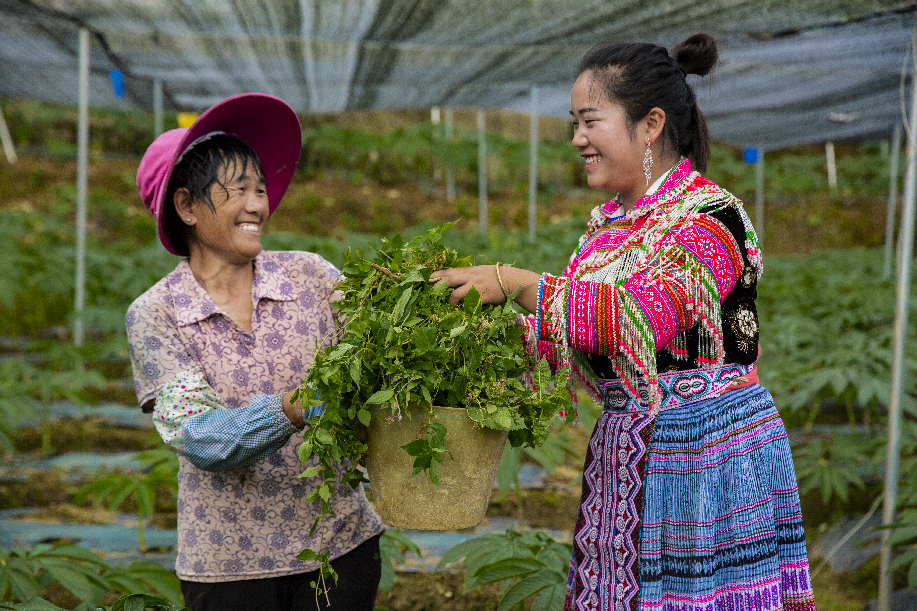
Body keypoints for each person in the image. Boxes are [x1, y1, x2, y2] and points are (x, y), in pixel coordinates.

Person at [432, 34, 817, 611]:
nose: (577, 138)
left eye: (590, 121)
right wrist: (478, 335)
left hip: (707, 459)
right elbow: (568, 334)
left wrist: (516, 282)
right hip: (627, 450)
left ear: (651, 124)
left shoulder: (710, 218)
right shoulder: (608, 227)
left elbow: (639, 317)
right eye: (574, 123)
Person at [126, 93, 384, 611]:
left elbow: (377, 354)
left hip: (340, 550)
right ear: (186, 206)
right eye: (238, 190)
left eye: (260, 189)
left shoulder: (311, 275)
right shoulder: (156, 313)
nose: (257, 205)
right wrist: (295, 407)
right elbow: (198, 435)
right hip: (231, 572)